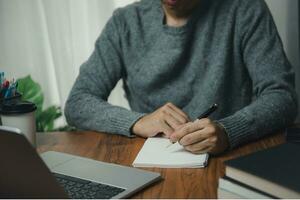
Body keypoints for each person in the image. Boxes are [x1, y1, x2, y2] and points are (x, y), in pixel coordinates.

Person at [65, 0, 298, 155]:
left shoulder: (246, 10)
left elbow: (282, 97)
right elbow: (78, 102)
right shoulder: (125, 23)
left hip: (231, 159)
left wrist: (229, 130)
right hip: (150, 161)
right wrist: (137, 122)